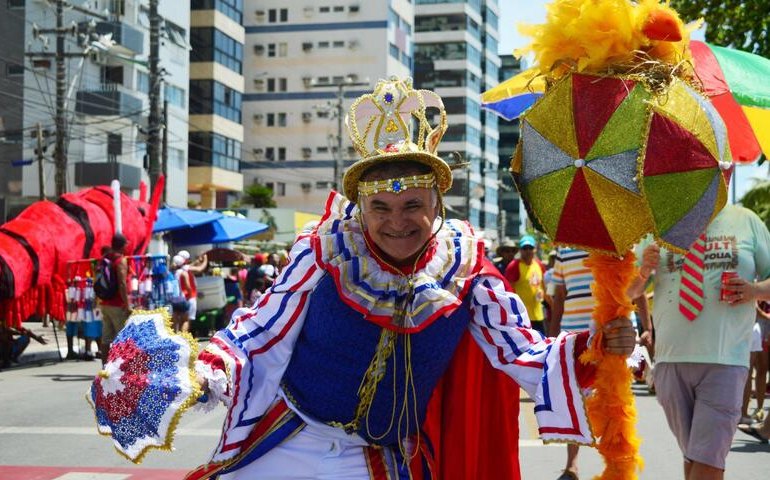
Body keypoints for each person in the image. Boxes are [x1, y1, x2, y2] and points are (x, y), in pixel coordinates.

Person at [188, 78, 637, 480]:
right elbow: (261, 329)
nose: (396, 222)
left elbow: (520, 351)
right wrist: (207, 370)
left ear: (436, 204)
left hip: (381, 457)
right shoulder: (325, 252)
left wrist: (596, 347)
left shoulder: (468, 271)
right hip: (292, 437)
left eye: (412, 206)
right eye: (380, 208)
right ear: (361, 209)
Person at [629, 203, 770, 480]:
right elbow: (625, 292)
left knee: (706, 460)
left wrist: (754, 290)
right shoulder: (659, 223)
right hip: (670, 361)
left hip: (725, 360)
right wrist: (643, 270)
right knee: (697, 455)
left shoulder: (746, 221)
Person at [548, 246, 595, 480]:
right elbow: (559, 295)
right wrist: (552, 336)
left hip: (608, 335)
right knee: (574, 401)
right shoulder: (564, 251)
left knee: (615, 402)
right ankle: (572, 465)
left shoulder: (614, 242)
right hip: (573, 337)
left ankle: (618, 465)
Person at [98, 233, 130, 367]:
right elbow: (122, 284)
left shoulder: (105, 258)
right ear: (123, 245)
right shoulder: (120, 260)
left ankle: (105, 367)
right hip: (117, 304)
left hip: (105, 302)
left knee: (106, 338)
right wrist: (127, 304)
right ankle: (121, 367)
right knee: (122, 337)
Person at [504, 235, 546, 333]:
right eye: (525, 248)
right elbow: (507, 291)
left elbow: (544, 287)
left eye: (530, 248)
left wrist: (552, 305)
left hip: (538, 315)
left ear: (535, 249)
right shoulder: (514, 266)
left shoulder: (539, 264)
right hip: (521, 317)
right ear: (520, 250)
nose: (528, 251)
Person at [174, 252, 208, 333]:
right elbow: (200, 269)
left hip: (177, 298)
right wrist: (206, 259)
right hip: (188, 297)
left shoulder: (176, 270)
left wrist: (197, 261)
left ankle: (178, 336)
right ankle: (183, 337)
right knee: (186, 320)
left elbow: (190, 265)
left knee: (179, 320)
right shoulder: (185, 271)